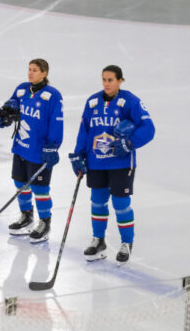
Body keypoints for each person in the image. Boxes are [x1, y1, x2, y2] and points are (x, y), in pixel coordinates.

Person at [69, 65, 155, 264]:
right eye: (104, 80)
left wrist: (130, 142)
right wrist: (78, 154)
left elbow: (148, 128)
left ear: (120, 81)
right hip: (96, 162)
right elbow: (85, 130)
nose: (106, 84)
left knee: (120, 203)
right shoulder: (92, 102)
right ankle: (98, 240)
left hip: (120, 162)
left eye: (110, 80)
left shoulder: (130, 101)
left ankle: (126, 243)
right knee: (97, 202)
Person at [0, 59, 63, 243]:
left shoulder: (53, 95)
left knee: (40, 188)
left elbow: (56, 122)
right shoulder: (22, 89)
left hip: (39, 150)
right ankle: (26, 216)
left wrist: (53, 145)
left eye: (35, 70)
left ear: (44, 73)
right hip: (21, 146)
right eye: (29, 69)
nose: (30, 73)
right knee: (20, 182)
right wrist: (4, 114)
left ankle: (45, 222)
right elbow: (12, 105)